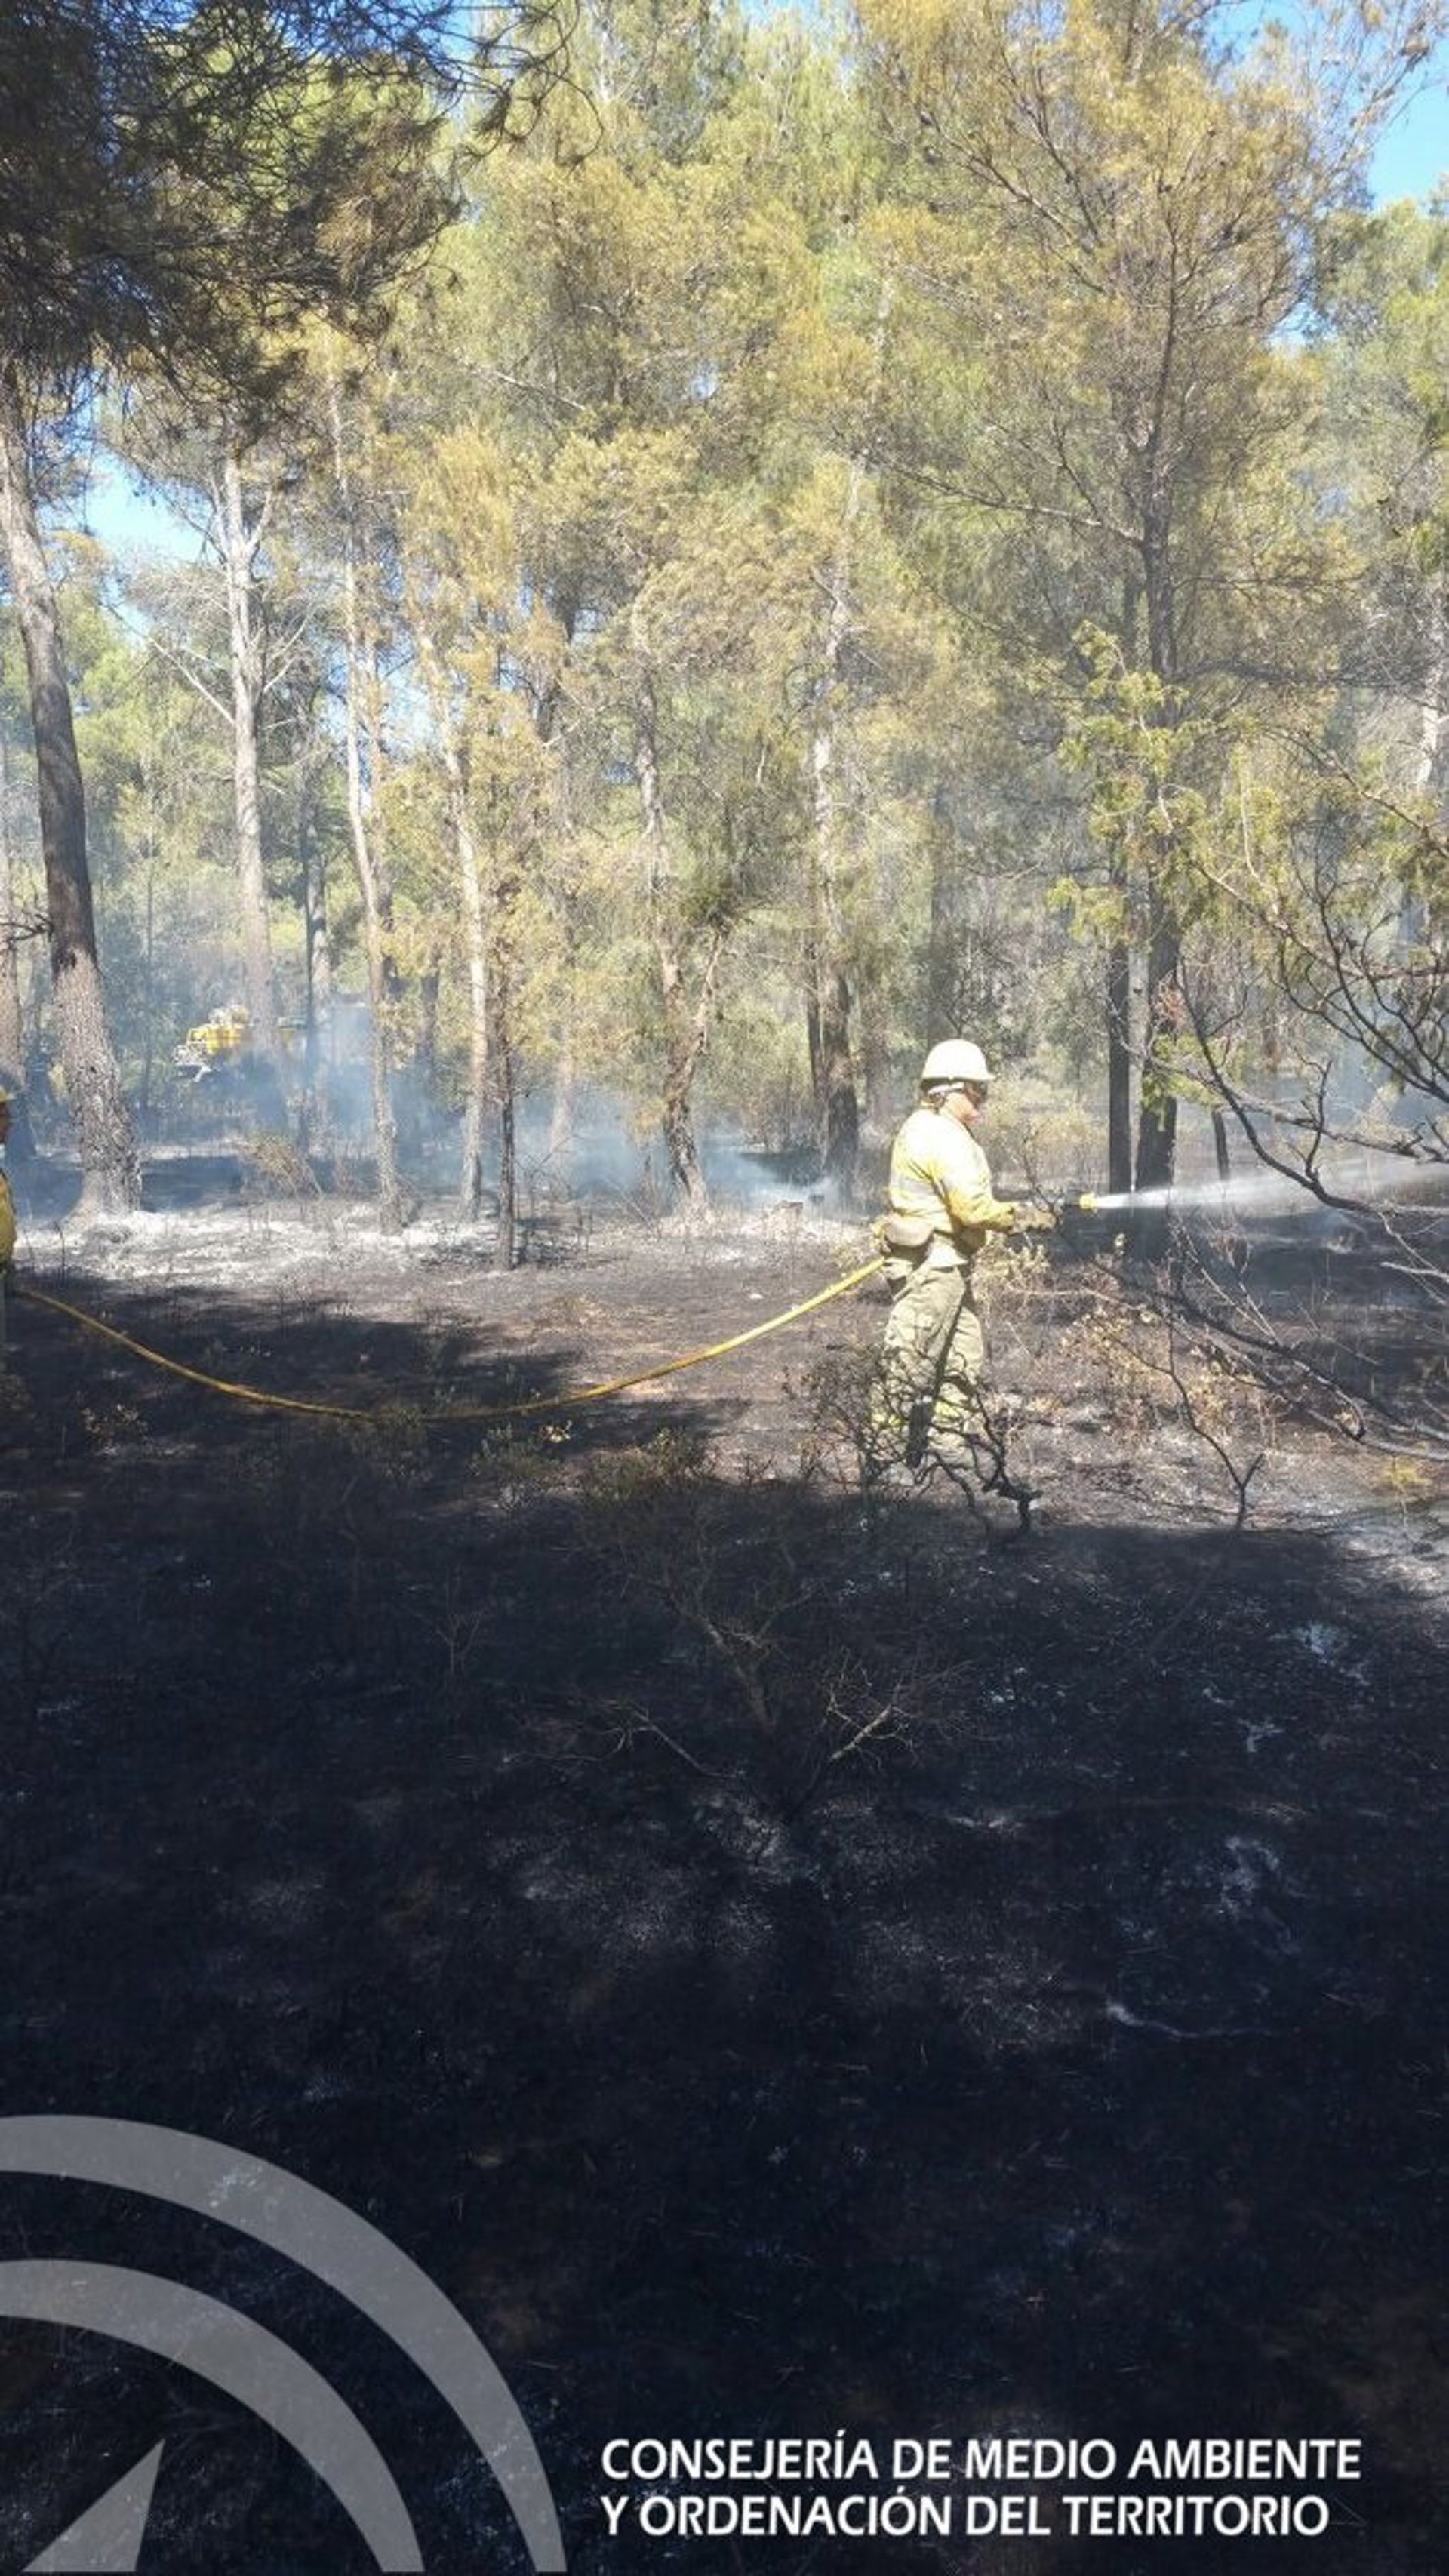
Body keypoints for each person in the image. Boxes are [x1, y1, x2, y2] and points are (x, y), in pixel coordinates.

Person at [877, 1040, 1019, 1466]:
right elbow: (972, 1209)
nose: (982, 1099)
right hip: (932, 1268)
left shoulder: (939, 1128)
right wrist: (1022, 1217)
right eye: (976, 1090)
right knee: (909, 1362)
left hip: (947, 1264)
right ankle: (884, 1456)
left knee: (964, 1355)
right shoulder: (938, 1134)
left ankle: (946, 1442)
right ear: (948, 1090)